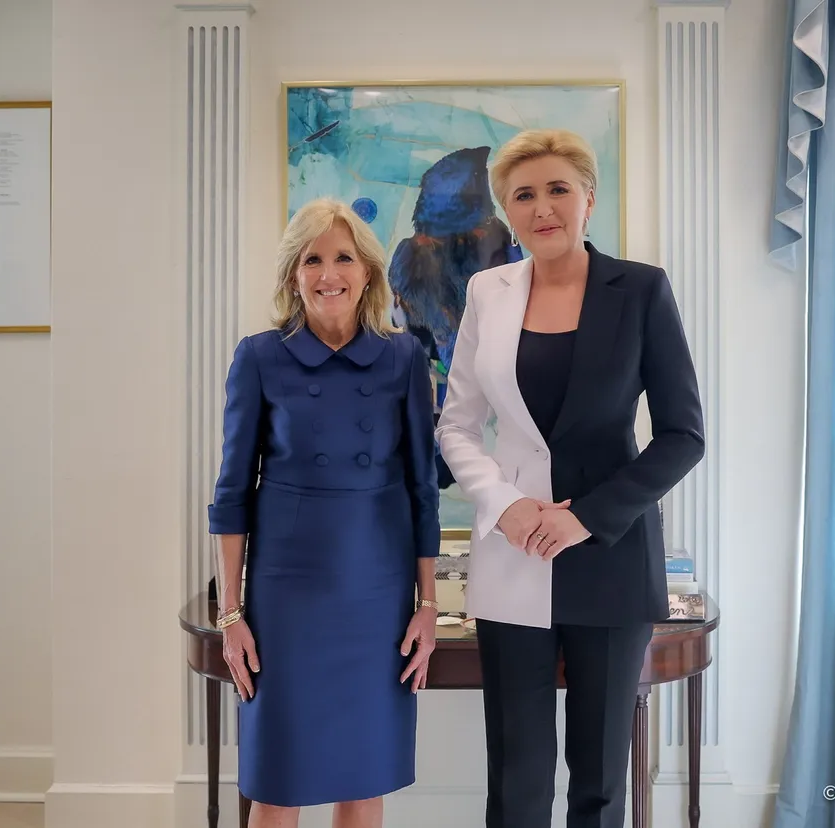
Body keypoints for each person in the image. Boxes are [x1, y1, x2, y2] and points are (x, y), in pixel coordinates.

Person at [435, 129, 705, 828]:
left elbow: (683, 435)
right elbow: (456, 425)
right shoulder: (486, 292)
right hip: (513, 549)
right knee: (516, 780)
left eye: (558, 189)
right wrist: (504, 504)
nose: (542, 207)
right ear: (507, 211)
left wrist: (583, 516)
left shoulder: (641, 289)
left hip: (610, 556)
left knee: (601, 783)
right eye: (523, 195)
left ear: (589, 198)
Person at [207, 198, 441, 828]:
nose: (328, 273)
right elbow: (232, 494)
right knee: (277, 782)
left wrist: (426, 604)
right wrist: (231, 613)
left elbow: (423, 489)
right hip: (286, 600)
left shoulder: (403, 358)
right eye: (312, 259)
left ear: (368, 272)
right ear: (294, 274)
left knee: (363, 778)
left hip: (377, 595)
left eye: (344, 258)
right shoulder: (259, 356)